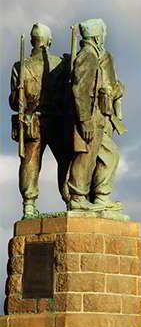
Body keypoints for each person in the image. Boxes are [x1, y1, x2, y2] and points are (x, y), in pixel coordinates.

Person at [9, 23, 70, 218]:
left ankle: (28, 203)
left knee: (30, 162)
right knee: (66, 160)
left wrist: (18, 94)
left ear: (33, 40)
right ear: (49, 41)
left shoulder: (20, 66)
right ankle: (71, 199)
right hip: (57, 121)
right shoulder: (60, 64)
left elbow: (13, 103)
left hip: (31, 122)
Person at [68, 18, 127, 216]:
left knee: (107, 155)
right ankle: (78, 198)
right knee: (86, 156)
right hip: (90, 117)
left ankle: (101, 196)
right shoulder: (88, 56)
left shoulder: (96, 55)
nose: (104, 37)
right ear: (95, 36)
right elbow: (80, 90)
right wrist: (84, 120)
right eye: (102, 34)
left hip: (98, 116)